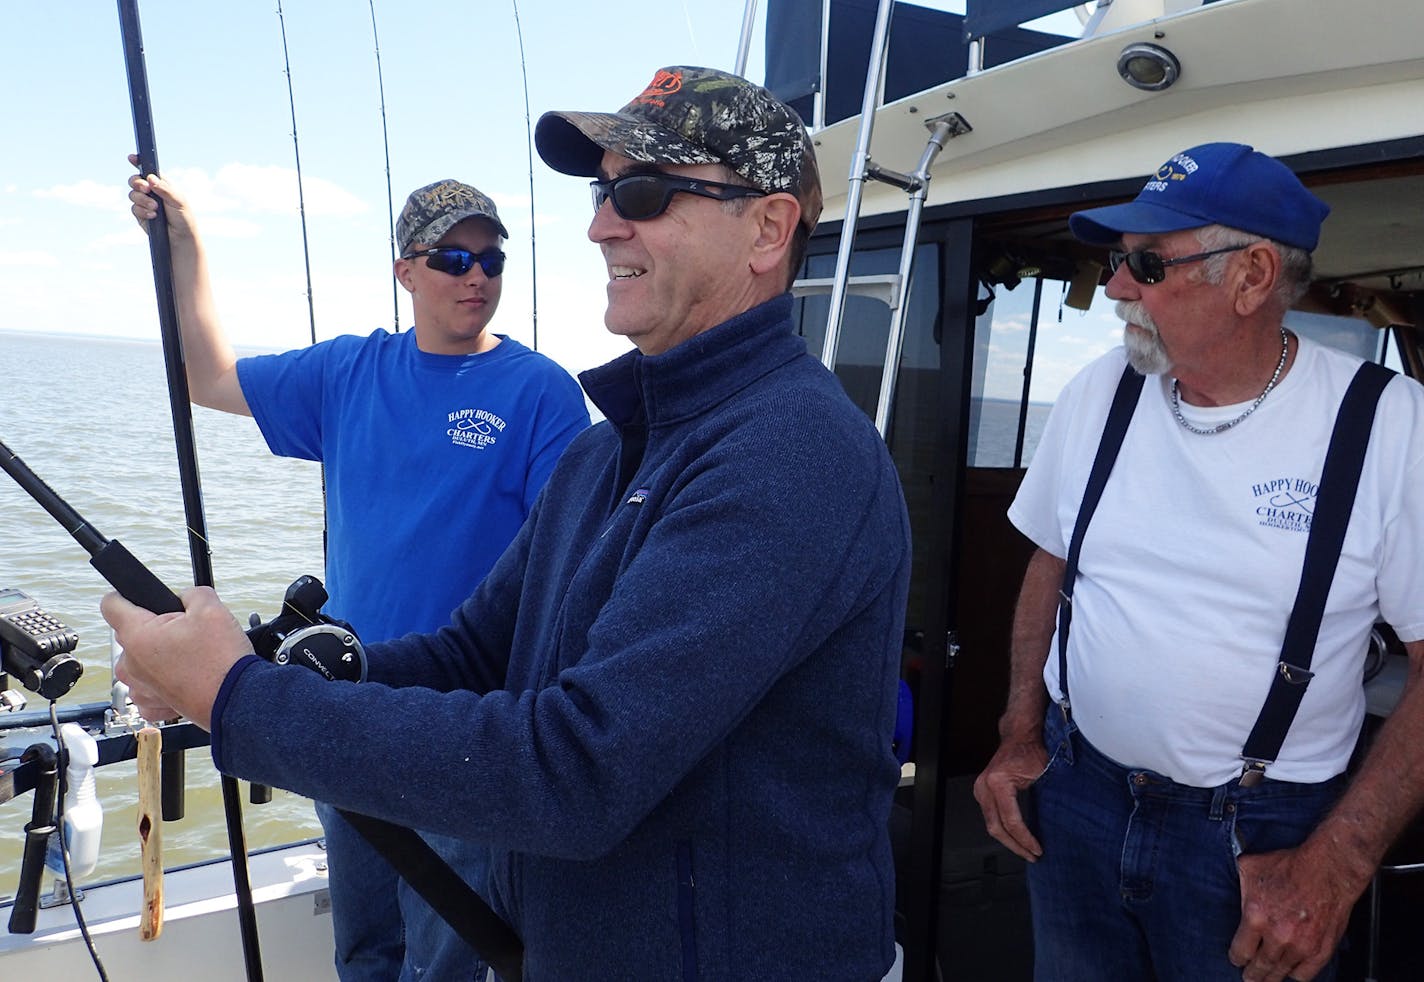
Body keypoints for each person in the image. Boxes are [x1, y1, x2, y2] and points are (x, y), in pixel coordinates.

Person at [106, 66, 912, 980]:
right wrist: (277, 666)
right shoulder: (608, 453)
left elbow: (576, 770)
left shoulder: (791, 453)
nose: (601, 223)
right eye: (605, 193)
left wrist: (240, 701)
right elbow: (470, 657)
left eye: (643, 192)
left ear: (767, 229)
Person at [971, 141, 1424, 982]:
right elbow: (1051, 564)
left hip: (1262, 838)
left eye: (1146, 262)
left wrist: (1338, 865)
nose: (1114, 289)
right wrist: (1018, 733)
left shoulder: (1387, 426)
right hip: (1074, 799)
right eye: (1116, 260)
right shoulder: (1102, 391)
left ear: (1252, 276)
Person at [127, 165, 590, 981]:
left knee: (448, 953)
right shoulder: (347, 372)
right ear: (406, 271)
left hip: (463, 723)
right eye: (451, 258)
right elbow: (205, 377)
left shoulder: (541, 392)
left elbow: (567, 568)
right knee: (366, 947)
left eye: (491, 258)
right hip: (343, 701)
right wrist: (184, 245)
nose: (475, 274)